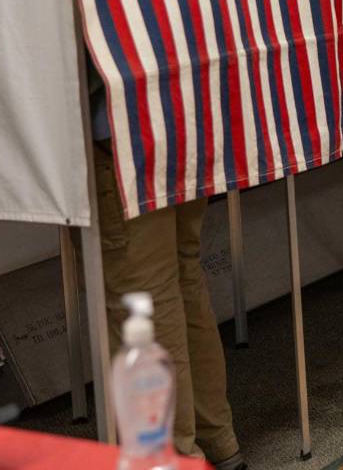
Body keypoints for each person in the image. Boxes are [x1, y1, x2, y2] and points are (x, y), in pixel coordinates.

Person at [90, 67, 247, 469]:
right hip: (184, 109)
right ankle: (218, 441)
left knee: (141, 298)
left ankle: (171, 457)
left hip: (123, 129)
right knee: (182, 278)